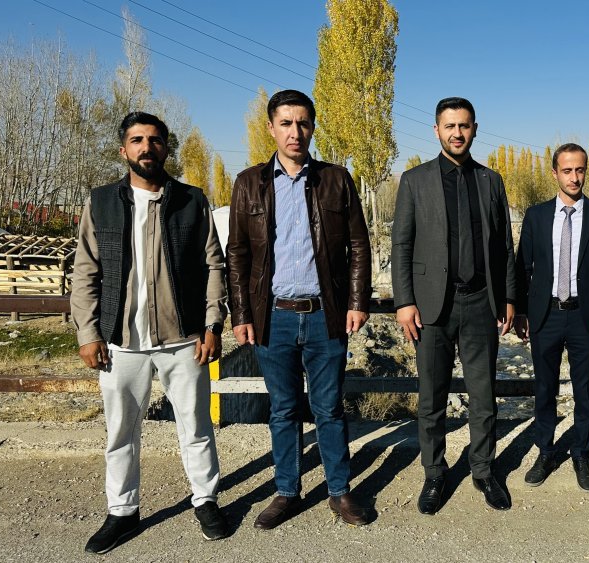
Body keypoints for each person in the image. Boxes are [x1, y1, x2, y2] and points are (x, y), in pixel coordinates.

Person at [72, 112, 228, 553]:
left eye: (155, 140)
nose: (146, 147)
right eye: (137, 140)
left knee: (196, 425)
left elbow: (213, 266)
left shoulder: (191, 200)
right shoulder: (101, 202)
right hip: (121, 342)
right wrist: (88, 333)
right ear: (123, 149)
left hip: (184, 339)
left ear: (166, 147)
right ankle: (122, 511)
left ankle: (206, 500)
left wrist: (212, 324)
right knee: (121, 431)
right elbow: (85, 270)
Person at [227, 89, 372, 529]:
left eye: (303, 123)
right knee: (283, 410)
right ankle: (287, 491)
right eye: (286, 123)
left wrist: (356, 302)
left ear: (312, 127)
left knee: (329, 409)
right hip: (273, 317)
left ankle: (339, 491)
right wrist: (241, 314)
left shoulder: (336, 179)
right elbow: (237, 253)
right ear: (271, 128)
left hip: (326, 315)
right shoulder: (248, 183)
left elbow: (358, 245)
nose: (295, 132)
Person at [391, 96, 517, 514]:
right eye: (450, 126)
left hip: (481, 303)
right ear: (437, 130)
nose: (457, 133)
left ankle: (483, 470)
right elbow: (402, 244)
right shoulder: (415, 181)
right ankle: (434, 473)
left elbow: (504, 245)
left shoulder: (491, 180)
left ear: (474, 129)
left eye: (464, 126)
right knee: (432, 398)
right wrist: (405, 302)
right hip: (432, 308)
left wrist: (509, 296)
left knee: (484, 396)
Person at [514, 143, 589, 493]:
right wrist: (521, 311)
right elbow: (522, 267)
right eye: (567, 171)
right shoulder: (536, 216)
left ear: (585, 171)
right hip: (545, 315)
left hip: (585, 317)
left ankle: (582, 453)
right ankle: (545, 452)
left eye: (580, 170)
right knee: (544, 388)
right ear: (555, 173)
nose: (574, 177)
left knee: (584, 389)